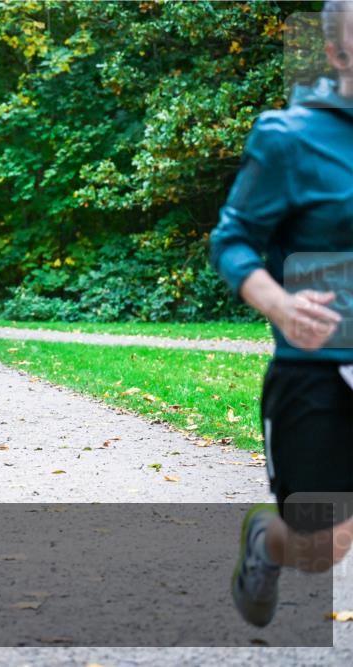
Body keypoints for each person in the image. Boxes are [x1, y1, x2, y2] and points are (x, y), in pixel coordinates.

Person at [210, 0, 353, 628]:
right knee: (322, 548)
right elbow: (232, 240)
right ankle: (268, 542)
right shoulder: (289, 137)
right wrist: (280, 304)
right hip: (320, 369)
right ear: (336, 52)